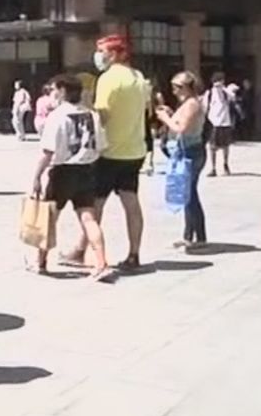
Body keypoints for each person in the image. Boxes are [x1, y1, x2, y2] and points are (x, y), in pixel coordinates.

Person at [61, 34, 149, 273]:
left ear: (116, 53)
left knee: (94, 204)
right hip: (134, 149)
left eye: (104, 51)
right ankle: (134, 254)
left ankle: (83, 251)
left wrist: (87, 108)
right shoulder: (139, 78)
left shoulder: (109, 79)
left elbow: (103, 116)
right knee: (131, 200)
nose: (100, 56)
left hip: (109, 151)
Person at [29, 74, 111, 281]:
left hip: (62, 170)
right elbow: (100, 146)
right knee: (88, 217)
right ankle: (101, 262)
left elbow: (48, 151)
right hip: (86, 169)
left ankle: (40, 261)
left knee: (50, 218)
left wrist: (36, 177)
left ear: (63, 91)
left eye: (54, 89)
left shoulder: (57, 116)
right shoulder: (92, 115)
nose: (52, 93)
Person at [155, 71, 208, 252]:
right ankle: (189, 235)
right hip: (184, 151)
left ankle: (199, 236)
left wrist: (166, 119)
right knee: (186, 193)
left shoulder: (192, 103)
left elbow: (181, 128)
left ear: (187, 87)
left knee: (190, 194)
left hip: (191, 152)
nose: (174, 91)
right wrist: (170, 113)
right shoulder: (186, 104)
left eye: (177, 87)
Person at [204, 71, 236, 177]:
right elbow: (204, 107)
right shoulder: (209, 93)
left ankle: (225, 165)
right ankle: (213, 168)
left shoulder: (226, 92)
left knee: (225, 146)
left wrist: (224, 89)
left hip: (225, 122)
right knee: (212, 146)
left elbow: (233, 97)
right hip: (213, 122)